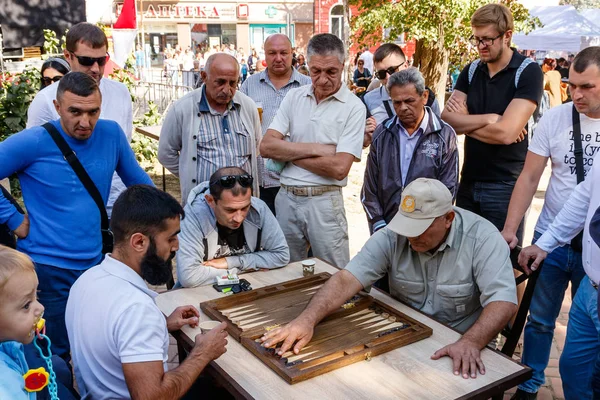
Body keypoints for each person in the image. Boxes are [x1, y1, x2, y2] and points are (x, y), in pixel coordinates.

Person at [261, 178, 518, 379]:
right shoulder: (394, 235)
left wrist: (471, 342)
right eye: (407, 226)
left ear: (448, 218)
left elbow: (503, 302)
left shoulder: (482, 237)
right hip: (405, 333)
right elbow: (346, 279)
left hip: (459, 339)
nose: (411, 237)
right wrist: (306, 320)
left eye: (421, 228)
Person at [0, 72, 153, 361]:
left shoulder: (111, 134)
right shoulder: (33, 141)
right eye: (75, 112)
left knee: (95, 342)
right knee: (51, 353)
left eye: (92, 111)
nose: (85, 122)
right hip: (47, 269)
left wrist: (166, 218)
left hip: (95, 263)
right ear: (57, 107)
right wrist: (12, 218)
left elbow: (140, 183)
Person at [501, 47, 600, 400]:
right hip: (552, 238)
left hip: (594, 247)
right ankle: (530, 382)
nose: (576, 94)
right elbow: (529, 177)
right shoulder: (555, 119)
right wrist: (511, 230)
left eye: (586, 86)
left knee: (583, 331)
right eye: (571, 85)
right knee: (540, 319)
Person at [66, 185, 228, 399]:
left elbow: (111, 336)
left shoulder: (87, 280)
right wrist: (202, 354)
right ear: (139, 241)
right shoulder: (137, 310)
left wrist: (163, 325)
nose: (176, 246)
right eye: (171, 238)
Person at [260, 33, 366, 268]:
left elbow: (339, 168)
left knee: (332, 273)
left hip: (325, 201)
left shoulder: (354, 107)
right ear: (307, 65)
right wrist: (318, 150)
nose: (323, 79)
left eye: (331, 71)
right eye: (316, 71)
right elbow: (266, 146)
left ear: (343, 66)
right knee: (285, 271)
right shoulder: (295, 96)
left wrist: (288, 154)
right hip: (286, 198)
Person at [441, 3, 543, 245]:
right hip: (468, 179)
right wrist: (491, 119)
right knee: (465, 259)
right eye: (476, 39)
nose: (480, 46)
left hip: (506, 184)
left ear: (507, 35)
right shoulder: (472, 70)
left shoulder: (528, 72)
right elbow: (447, 121)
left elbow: (507, 134)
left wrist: (467, 122)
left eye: (487, 39)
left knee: (505, 262)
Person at [28, 23, 134, 218]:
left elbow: (124, 153)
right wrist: (14, 218)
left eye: (102, 61)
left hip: (118, 209)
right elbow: (32, 161)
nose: (95, 68)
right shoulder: (44, 101)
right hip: (67, 213)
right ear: (68, 56)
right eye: (87, 60)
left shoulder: (121, 93)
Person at [362, 68, 458, 234]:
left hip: (425, 229)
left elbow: (447, 190)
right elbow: (370, 188)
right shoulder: (382, 133)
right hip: (385, 227)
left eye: (409, 101)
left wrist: (427, 227)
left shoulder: (444, 135)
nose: (403, 108)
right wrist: (378, 224)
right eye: (397, 103)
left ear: (425, 97)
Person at [158, 53, 262, 205]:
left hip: (243, 206)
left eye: (233, 83)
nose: (227, 90)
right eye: (220, 82)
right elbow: (166, 154)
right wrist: (191, 173)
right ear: (204, 76)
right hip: (202, 205)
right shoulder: (182, 109)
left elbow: (257, 145)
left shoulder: (247, 106)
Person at [177, 167, 289, 287]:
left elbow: (281, 255)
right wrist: (248, 269)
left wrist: (231, 262)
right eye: (230, 210)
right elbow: (189, 277)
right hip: (200, 292)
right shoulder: (192, 216)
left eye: (245, 208)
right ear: (210, 201)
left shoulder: (259, 208)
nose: (239, 218)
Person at [240, 34, 312, 215]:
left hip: (299, 180)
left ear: (292, 54)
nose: (278, 58)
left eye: (283, 53)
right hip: (260, 181)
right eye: (272, 53)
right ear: (264, 55)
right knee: (264, 238)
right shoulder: (250, 85)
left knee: (298, 240)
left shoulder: (309, 86)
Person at [0, 246, 76, 400]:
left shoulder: (12, 343)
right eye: (26, 305)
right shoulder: (5, 388)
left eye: (37, 296)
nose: (40, 308)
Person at [362, 43, 441, 147]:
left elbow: (438, 137)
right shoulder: (368, 100)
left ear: (406, 66)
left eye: (392, 70)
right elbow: (358, 146)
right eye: (381, 74)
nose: (388, 77)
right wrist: (364, 139)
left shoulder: (426, 97)